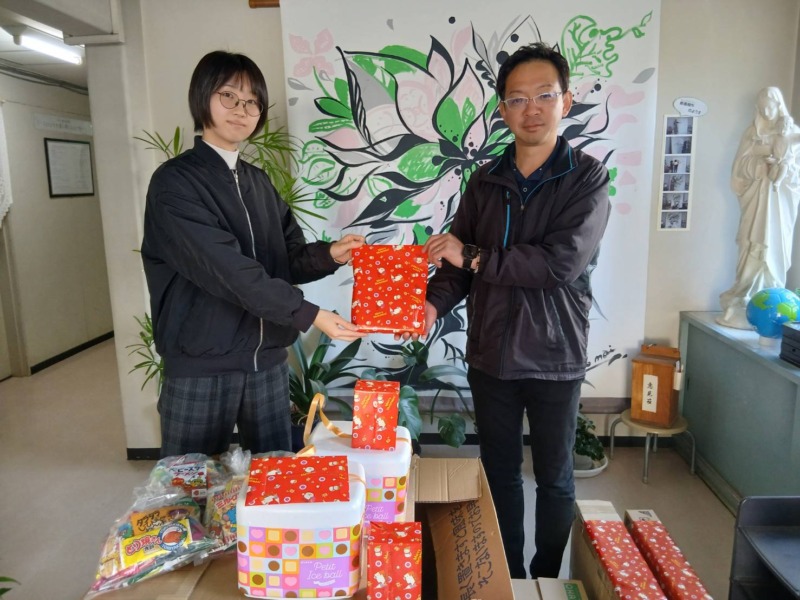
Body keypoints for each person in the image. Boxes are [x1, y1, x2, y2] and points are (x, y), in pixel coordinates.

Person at [404, 42, 610, 579]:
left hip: (554, 354)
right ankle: (509, 577)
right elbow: (457, 265)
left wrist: (471, 255)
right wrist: (431, 304)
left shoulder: (586, 178)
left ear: (566, 101)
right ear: (502, 110)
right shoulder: (486, 180)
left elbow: (557, 265)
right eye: (518, 99)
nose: (531, 109)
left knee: (555, 478)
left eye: (544, 95)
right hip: (491, 354)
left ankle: (545, 577)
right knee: (497, 473)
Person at [141, 51, 366, 458]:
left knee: (274, 480)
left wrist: (331, 254)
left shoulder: (258, 182)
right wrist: (310, 314)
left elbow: (286, 260)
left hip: (267, 363)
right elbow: (228, 270)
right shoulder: (174, 183)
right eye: (229, 96)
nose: (241, 110)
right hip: (201, 365)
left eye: (252, 102)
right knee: (189, 485)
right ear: (202, 97)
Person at [718, 86, 800, 328]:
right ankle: (743, 293)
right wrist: (760, 164)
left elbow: (795, 175)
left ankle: (768, 297)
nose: (766, 112)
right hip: (756, 200)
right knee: (749, 242)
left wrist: (783, 168)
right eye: (762, 108)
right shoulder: (751, 133)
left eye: (770, 107)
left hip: (778, 205)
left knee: (773, 245)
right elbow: (739, 168)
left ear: (778, 105)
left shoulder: (792, 133)